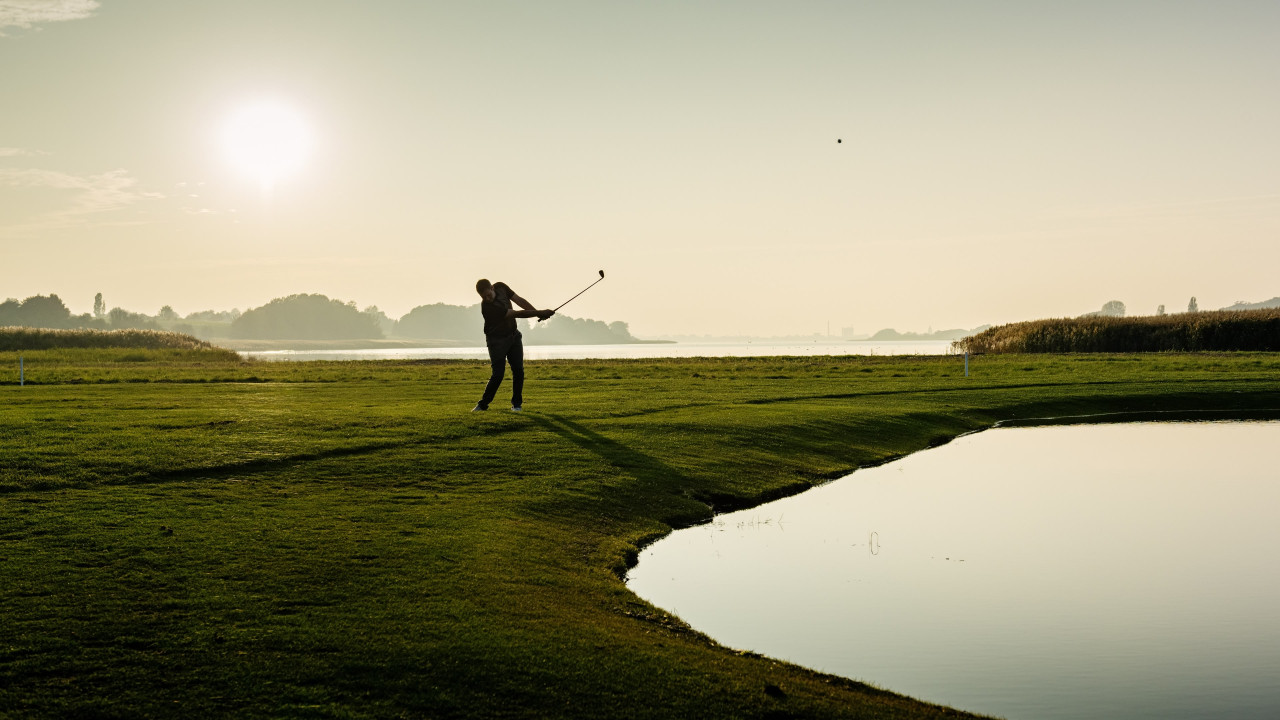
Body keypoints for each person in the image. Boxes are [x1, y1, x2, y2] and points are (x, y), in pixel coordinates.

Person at [472, 279, 553, 412]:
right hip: (496, 341)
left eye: (488, 295)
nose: (487, 299)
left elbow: (519, 301)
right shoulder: (488, 308)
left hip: (513, 336)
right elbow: (516, 314)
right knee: (498, 374)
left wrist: (537, 312)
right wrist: (540, 312)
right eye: (483, 297)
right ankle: (482, 405)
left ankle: (516, 405)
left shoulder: (501, 287)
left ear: (492, 288)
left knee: (518, 370)